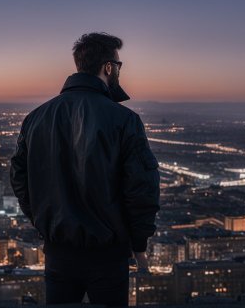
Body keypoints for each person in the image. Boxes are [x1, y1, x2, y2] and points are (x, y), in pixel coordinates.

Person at [10, 32, 160, 306]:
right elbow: (142, 190)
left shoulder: (35, 118)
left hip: (58, 251)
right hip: (108, 253)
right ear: (108, 67)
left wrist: (43, 222)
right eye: (118, 65)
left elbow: (19, 179)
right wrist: (139, 244)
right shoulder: (125, 121)